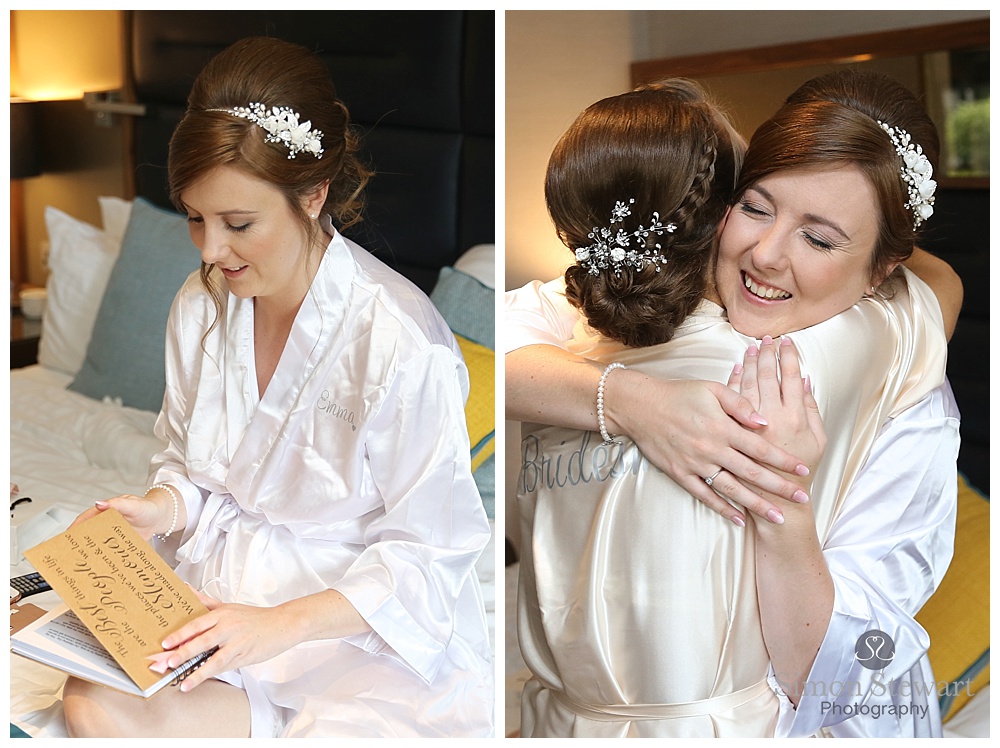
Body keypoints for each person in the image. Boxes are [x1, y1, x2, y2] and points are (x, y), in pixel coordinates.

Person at [62, 36, 493, 738]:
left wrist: (275, 628)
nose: (209, 251)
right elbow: (195, 469)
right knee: (89, 702)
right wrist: (160, 509)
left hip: (346, 636)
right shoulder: (201, 306)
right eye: (194, 217)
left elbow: (428, 555)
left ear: (314, 193)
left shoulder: (398, 342)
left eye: (237, 224)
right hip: (215, 604)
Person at [507, 70, 960, 738]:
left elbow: (843, 669)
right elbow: (476, 349)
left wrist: (782, 506)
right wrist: (631, 400)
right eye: (754, 205)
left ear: (883, 271)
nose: (766, 255)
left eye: (820, 237)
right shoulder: (645, 294)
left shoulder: (887, 359)